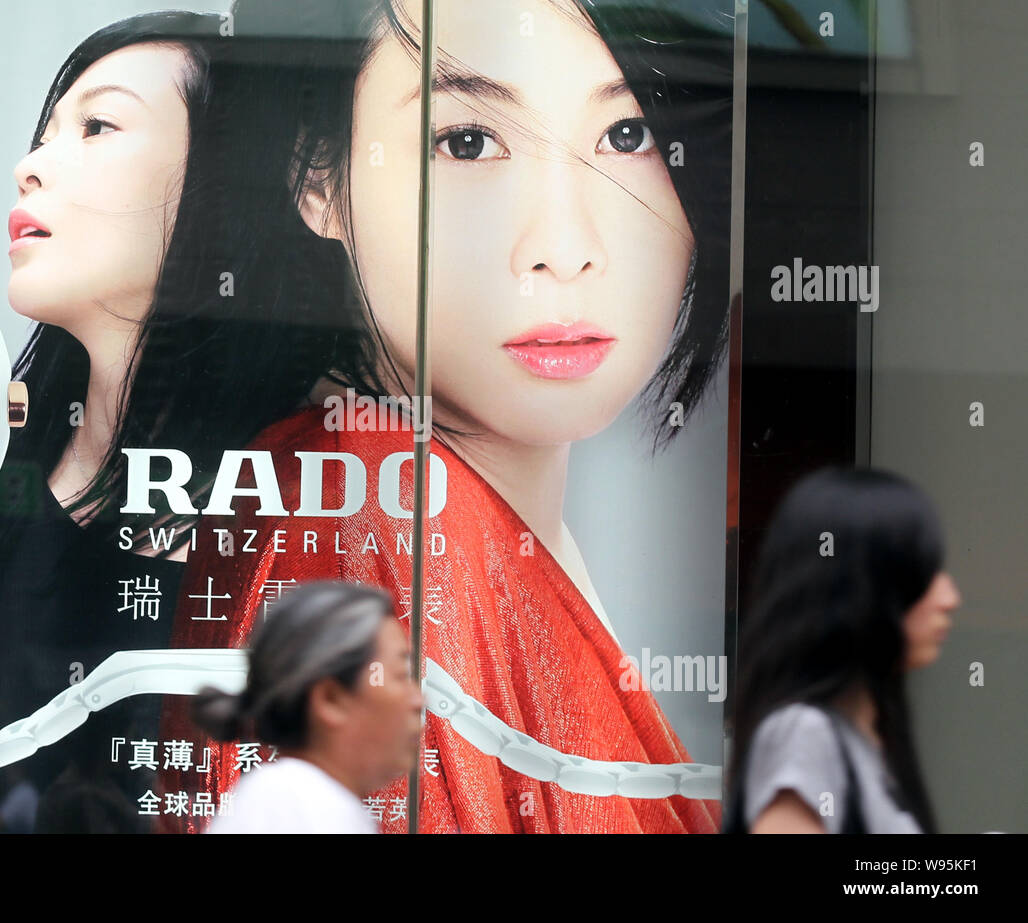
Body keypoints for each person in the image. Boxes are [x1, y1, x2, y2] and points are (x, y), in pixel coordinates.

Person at [160, 0, 733, 833]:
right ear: (317, 176)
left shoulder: (434, 511)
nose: (565, 245)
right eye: (467, 141)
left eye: (628, 133)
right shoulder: (366, 499)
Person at [0, 11, 341, 833]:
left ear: (230, 176)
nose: (29, 167)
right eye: (45, 131)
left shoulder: (321, 484)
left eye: (97, 125)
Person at [723, 467, 959, 834]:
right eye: (923, 574)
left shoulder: (866, 736)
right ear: (861, 591)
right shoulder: (805, 733)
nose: (949, 598)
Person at [189, 582, 423, 834]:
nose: (419, 701)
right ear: (331, 699)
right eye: (401, 675)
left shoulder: (309, 801)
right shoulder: (293, 806)